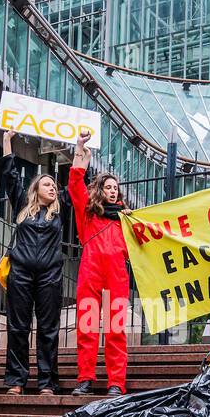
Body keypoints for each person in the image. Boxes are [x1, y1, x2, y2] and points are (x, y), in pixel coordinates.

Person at [0, 130, 65, 395]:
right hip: (21, 274)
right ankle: (16, 381)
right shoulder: (22, 206)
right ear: (36, 188)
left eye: (55, 186)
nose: (53, 188)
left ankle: (47, 382)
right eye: (47, 184)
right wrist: (6, 142)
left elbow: (79, 183)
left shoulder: (61, 212)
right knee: (18, 327)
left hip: (50, 276)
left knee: (48, 329)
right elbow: (9, 176)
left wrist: (82, 148)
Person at [68, 131, 129, 396]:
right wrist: (80, 152)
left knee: (116, 329)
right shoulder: (88, 214)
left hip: (116, 277)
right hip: (91, 274)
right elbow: (75, 185)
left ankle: (116, 382)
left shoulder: (127, 219)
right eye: (108, 187)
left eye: (116, 188)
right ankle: (86, 379)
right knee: (87, 327)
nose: (113, 191)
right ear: (100, 190)